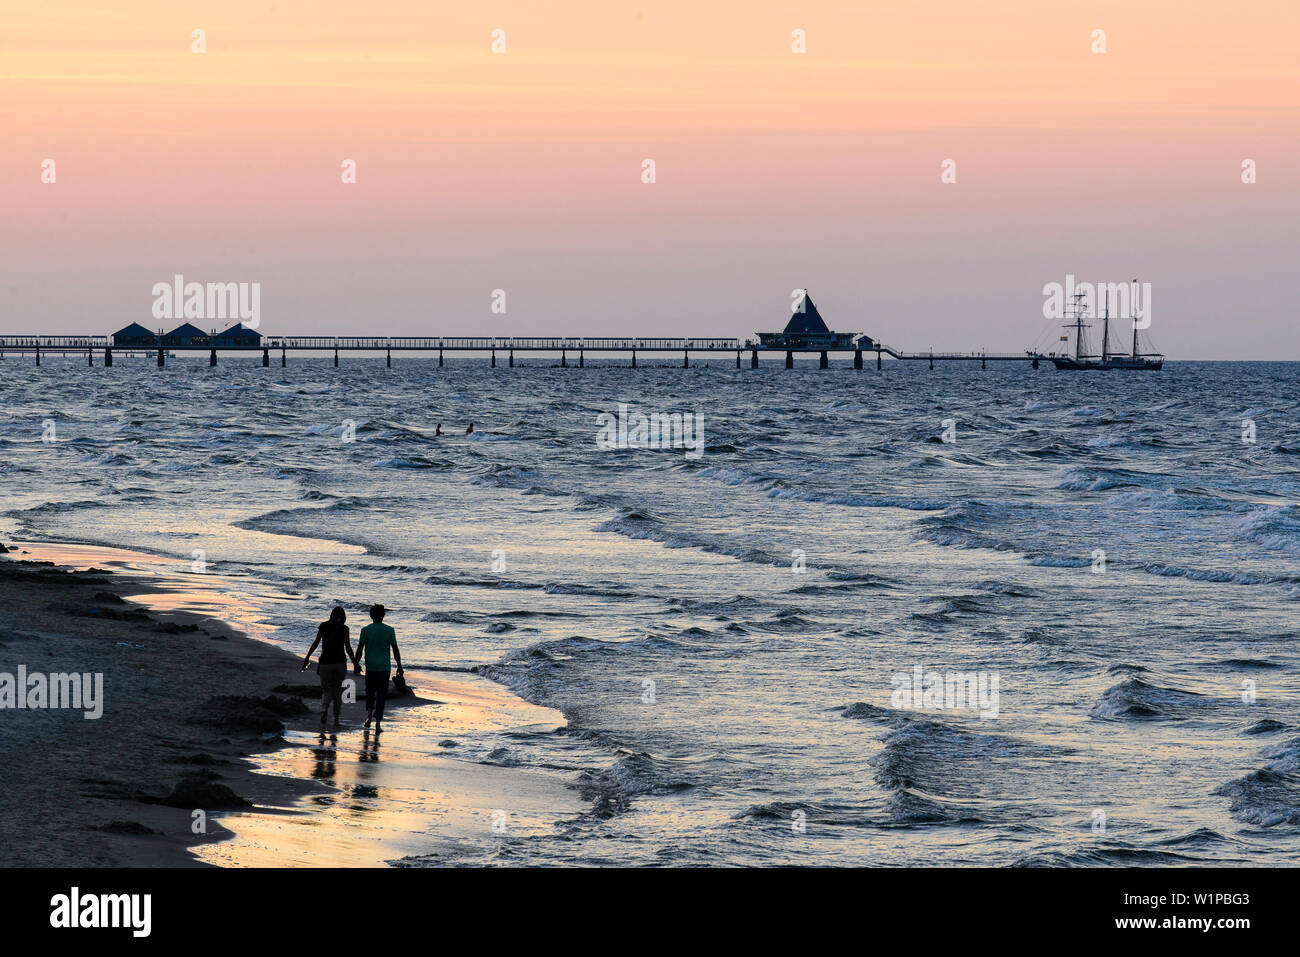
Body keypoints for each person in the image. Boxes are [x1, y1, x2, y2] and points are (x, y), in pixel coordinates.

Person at [302, 606, 357, 727]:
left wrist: (307, 657)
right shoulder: (345, 629)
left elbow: (316, 642)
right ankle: (336, 720)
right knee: (337, 691)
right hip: (340, 663)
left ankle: (325, 708)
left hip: (325, 663)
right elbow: (347, 647)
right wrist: (355, 663)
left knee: (326, 690)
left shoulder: (323, 626)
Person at [354, 604, 402, 730]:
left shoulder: (365, 630)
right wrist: (399, 665)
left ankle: (369, 716)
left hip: (370, 666)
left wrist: (356, 663)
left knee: (370, 691)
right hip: (384, 667)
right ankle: (378, 722)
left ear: (371, 616)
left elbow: (360, 649)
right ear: (384, 615)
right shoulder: (390, 630)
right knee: (381, 694)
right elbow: (395, 649)